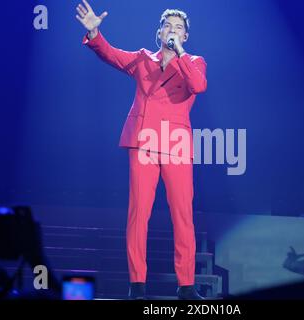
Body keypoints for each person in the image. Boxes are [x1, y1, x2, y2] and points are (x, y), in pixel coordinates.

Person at [75, 0, 207, 300]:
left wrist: (181, 55)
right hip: (143, 142)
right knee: (138, 215)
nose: (172, 31)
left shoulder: (195, 62)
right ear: (158, 32)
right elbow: (111, 55)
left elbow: (198, 86)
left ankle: (186, 286)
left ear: (185, 36)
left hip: (175, 145)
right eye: (167, 26)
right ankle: (137, 286)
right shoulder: (142, 59)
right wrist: (95, 34)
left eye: (178, 29)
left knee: (183, 216)